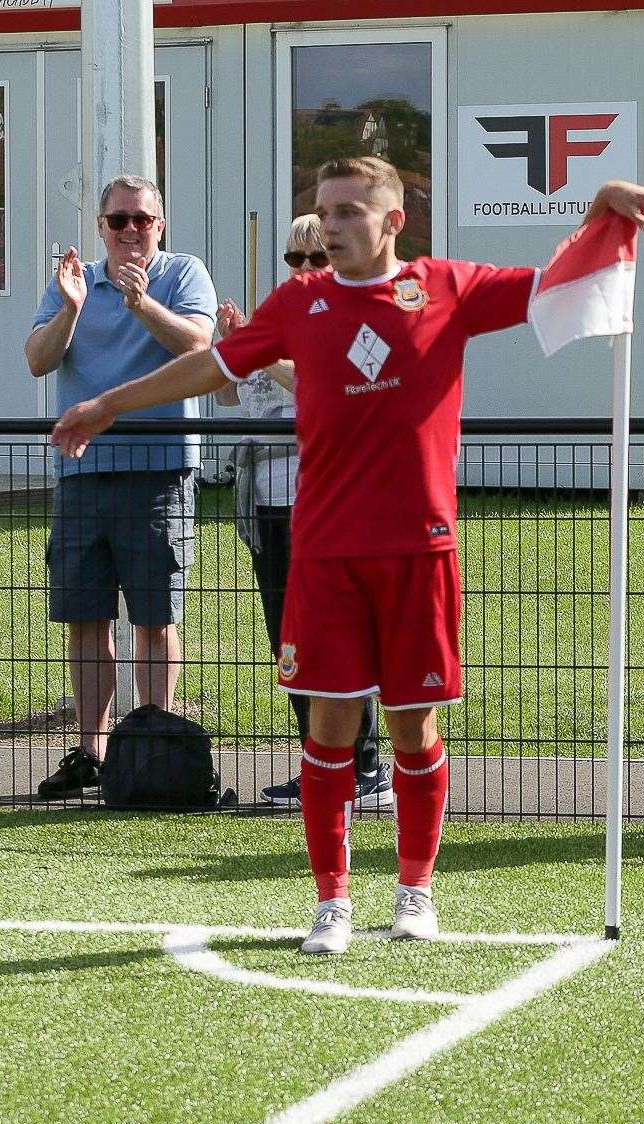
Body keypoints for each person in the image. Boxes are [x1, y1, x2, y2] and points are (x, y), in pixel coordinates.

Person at [53, 157, 644, 952]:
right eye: (323, 211)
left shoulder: (445, 287)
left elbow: (553, 283)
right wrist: (106, 403)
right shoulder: (301, 301)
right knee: (328, 733)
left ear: (392, 221)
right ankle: (332, 901)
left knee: (413, 732)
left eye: (347, 212)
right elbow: (215, 363)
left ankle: (415, 890)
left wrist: (599, 210)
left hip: (419, 549)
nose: (331, 227)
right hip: (326, 553)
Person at [25, 175, 217, 797]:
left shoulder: (183, 274)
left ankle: (153, 751)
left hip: (158, 471)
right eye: (118, 221)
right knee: (86, 618)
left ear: (161, 225)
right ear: (101, 226)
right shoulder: (75, 281)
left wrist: (142, 305)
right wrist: (73, 308)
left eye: (142, 219)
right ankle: (93, 753)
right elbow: (38, 358)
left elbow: (200, 347)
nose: (130, 231)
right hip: (82, 472)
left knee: (155, 619)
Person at [215, 214, 391, 813]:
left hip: (325, 501)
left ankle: (365, 765)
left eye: (317, 258)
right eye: (296, 259)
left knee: (335, 635)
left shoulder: (352, 316)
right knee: (288, 641)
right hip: (267, 500)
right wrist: (231, 343)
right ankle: (322, 762)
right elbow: (224, 396)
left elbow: (325, 383)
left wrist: (263, 356)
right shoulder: (280, 315)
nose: (306, 270)